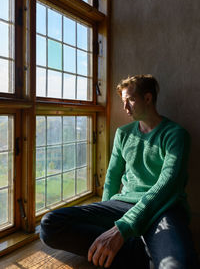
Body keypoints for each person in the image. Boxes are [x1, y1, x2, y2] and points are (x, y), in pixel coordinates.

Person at [40, 74, 199, 269]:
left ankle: (139, 249)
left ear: (148, 98)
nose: (125, 108)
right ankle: (142, 250)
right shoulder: (123, 133)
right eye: (123, 101)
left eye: (130, 100)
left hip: (163, 209)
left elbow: (167, 186)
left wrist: (123, 228)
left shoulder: (176, 134)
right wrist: (108, 219)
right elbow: (113, 176)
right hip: (123, 204)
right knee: (50, 225)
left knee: (177, 265)